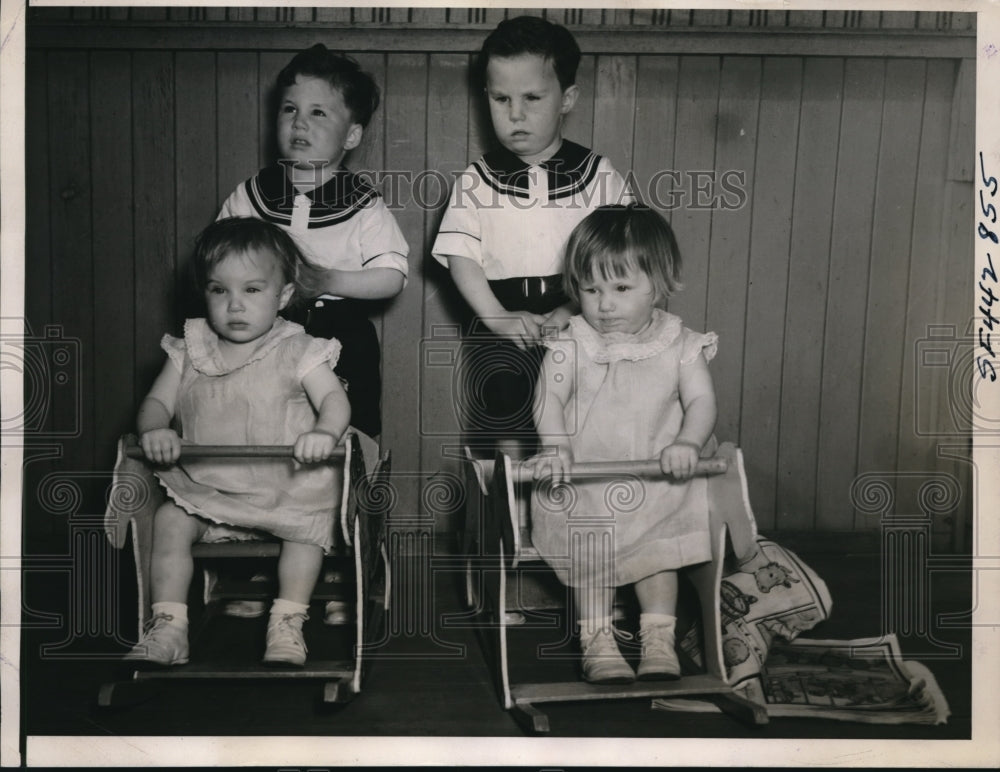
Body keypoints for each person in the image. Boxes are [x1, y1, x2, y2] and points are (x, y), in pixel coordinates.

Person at [125, 217, 351, 668]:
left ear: (282, 295)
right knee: (169, 520)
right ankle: (169, 625)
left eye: (251, 290)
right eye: (218, 290)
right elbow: (155, 401)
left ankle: (287, 620)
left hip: (287, 487)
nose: (234, 306)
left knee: (305, 533)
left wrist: (324, 433)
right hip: (210, 488)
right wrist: (155, 429)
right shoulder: (190, 348)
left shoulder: (299, 348)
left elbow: (335, 401)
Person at [525, 204, 728, 684]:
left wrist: (688, 443)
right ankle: (597, 637)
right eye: (591, 289)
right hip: (585, 479)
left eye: (621, 288)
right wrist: (555, 447)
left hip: (657, 477)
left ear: (658, 285)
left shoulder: (681, 343)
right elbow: (548, 398)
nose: (604, 304)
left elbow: (702, 401)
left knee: (660, 553)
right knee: (590, 552)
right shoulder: (571, 340)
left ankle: (658, 636)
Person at [431, 16, 632, 460]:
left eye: (532, 98)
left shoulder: (598, 175)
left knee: (581, 413)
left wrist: (572, 310)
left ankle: (567, 507)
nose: (515, 114)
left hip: (582, 313)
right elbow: (460, 255)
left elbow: (622, 254)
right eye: (501, 98)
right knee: (504, 407)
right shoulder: (477, 180)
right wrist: (496, 317)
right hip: (503, 317)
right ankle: (510, 512)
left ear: (567, 98)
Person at [219, 43, 407, 440]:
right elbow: (217, 260)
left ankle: (351, 491)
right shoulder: (252, 194)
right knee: (262, 425)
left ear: (352, 135)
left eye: (318, 112)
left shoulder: (362, 202)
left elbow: (391, 276)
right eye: (290, 109)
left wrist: (326, 280)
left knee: (345, 431)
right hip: (262, 328)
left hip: (340, 332)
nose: (299, 123)